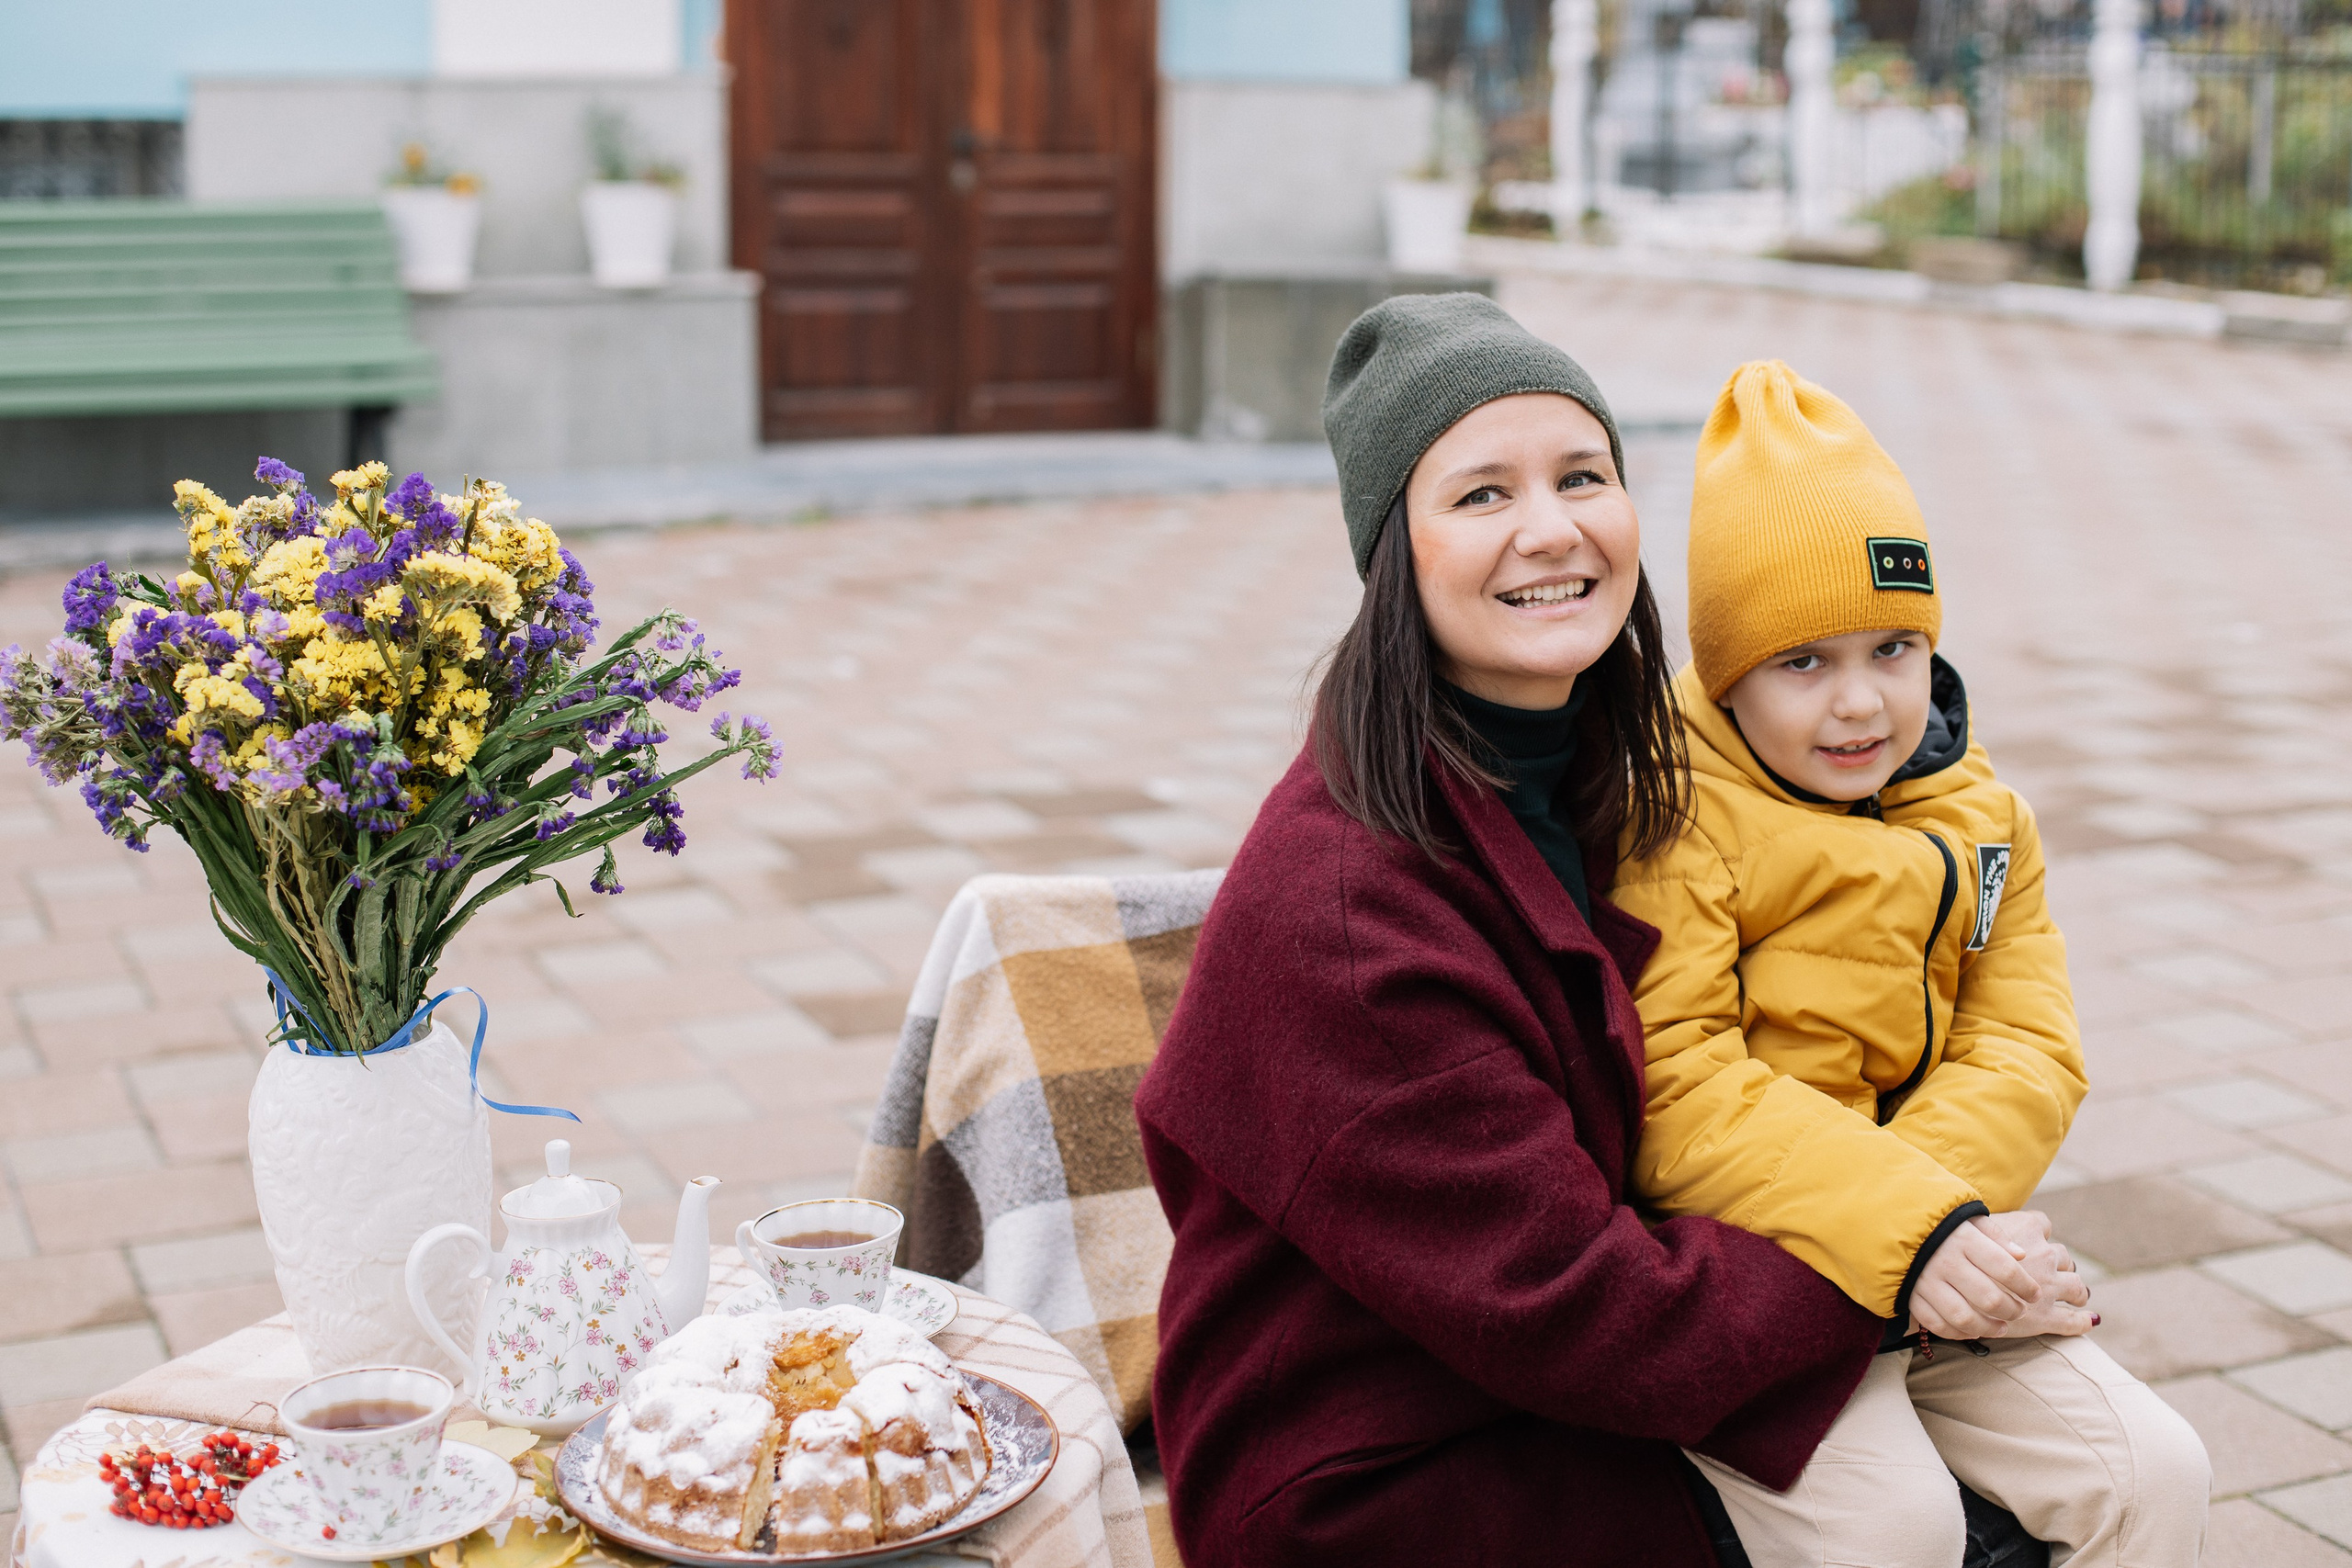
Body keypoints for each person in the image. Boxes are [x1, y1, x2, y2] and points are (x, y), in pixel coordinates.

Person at [1134, 295, 1890, 1568]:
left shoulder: (1609, 777)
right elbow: (1588, 1317)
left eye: (1582, 474)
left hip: (1528, 1372)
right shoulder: (1347, 920)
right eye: (1481, 495)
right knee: (1904, 1524)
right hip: (1373, 1472)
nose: (1553, 528)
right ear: (1397, 555)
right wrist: (1900, 1249)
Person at [1611, 359, 2211, 1566]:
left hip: (1943, 1276)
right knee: (1896, 1529)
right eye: (1802, 662)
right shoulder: (1674, 820)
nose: (1860, 706)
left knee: (2155, 1474)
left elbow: (2031, 1046)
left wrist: (1942, 1246)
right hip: (1760, 1281)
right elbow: (1677, 1089)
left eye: (1894, 648)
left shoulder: (1980, 819)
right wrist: (1914, 1237)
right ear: (1729, 672)